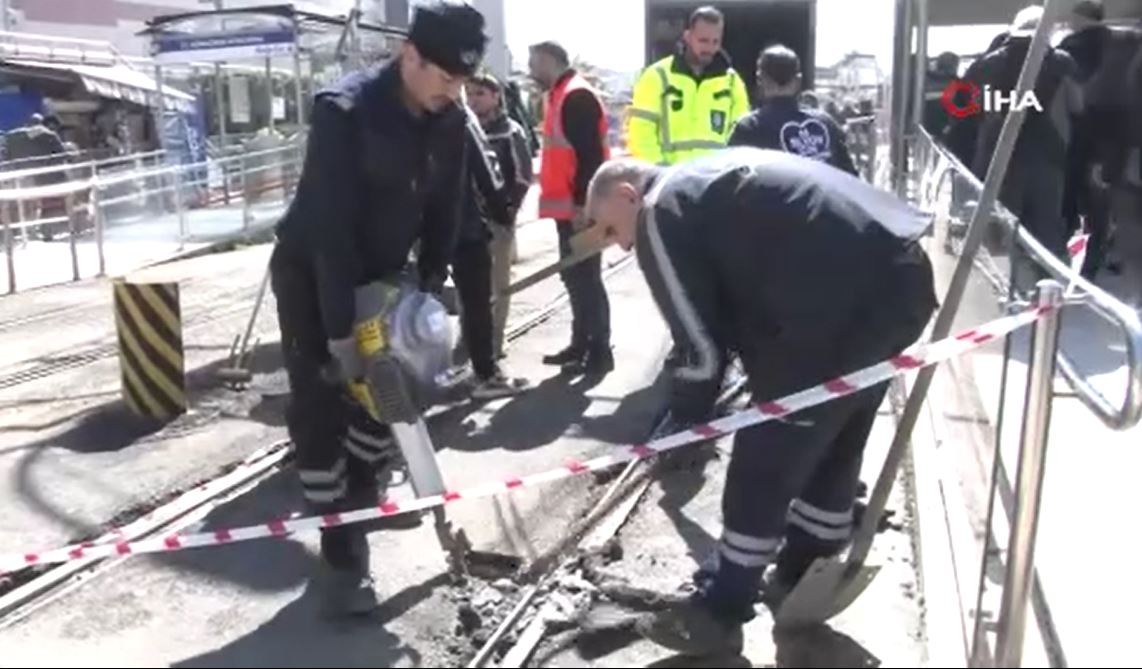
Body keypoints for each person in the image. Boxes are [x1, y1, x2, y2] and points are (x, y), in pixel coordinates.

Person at [584, 148, 937, 655]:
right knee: (837, 432)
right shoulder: (702, 180)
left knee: (766, 456)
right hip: (902, 278)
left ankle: (721, 608)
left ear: (626, 195)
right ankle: (800, 573)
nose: (619, 247)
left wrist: (686, 425)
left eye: (610, 230)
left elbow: (699, 349)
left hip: (830, 305)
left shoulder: (659, 211)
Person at [268, 0, 486, 618]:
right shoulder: (345, 112)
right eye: (444, 77)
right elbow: (330, 232)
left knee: (391, 396)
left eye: (462, 80)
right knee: (322, 403)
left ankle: (360, 503)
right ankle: (341, 555)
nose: (452, 91)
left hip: (390, 275)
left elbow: (447, 208)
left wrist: (427, 291)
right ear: (409, 55)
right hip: (314, 276)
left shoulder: (449, 116)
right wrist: (340, 336)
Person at [945, 5, 1082, 268]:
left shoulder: (985, 65)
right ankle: (1041, 290)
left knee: (997, 231)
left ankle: (1000, 290)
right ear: (1047, 30)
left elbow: (959, 109)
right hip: (1048, 159)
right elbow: (1079, 106)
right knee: (1044, 232)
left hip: (996, 160)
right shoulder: (1062, 63)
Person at [528, 40, 613, 376]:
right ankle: (581, 345)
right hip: (569, 210)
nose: (531, 71)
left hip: (580, 210)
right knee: (576, 279)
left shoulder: (576, 95)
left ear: (550, 61)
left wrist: (581, 205)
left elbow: (590, 157)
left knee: (587, 279)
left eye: (534, 63)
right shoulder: (560, 95)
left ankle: (600, 351)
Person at [452, 104, 530, 399]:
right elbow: (487, 169)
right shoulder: (460, 115)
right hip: (461, 224)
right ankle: (486, 374)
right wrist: (501, 211)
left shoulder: (394, 109)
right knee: (477, 300)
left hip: (413, 223)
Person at [627, 6, 751, 166]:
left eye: (715, 41)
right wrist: (659, 172)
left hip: (715, 180)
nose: (709, 48)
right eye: (703, 40)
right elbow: (641, 132)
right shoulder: (656, 76)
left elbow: (741, 137)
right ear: (687, 36)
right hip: (668, 179)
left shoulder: (733, 82)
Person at [466, 72, 534, 359]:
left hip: (497, 220)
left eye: (480, 94)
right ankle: (470, 339)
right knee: (468, 285)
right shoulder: (463, 127)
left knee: (498, 285)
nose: (473, 100)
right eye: (469, 94)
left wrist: (507, 211)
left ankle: (495, 342)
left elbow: (522, 176)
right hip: (467, 220)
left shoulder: (511, 131)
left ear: (495, 97)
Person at [729, 45, 857, 176]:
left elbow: (730, 179)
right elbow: (850, 179)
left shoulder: (749, 127)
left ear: (760, 79)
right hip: (823, 196)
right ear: (798, 80)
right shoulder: (827, 124)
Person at [923, 51, 961, 138]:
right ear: (953, 66)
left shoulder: (926, 81)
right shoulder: (956, 84)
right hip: (946, 132)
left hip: (926, 130)